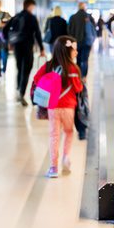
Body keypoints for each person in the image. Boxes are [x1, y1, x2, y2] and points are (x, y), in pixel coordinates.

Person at [32, 36, 83, 178]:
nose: (77, 52)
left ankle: (53, 168)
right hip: (68, 107)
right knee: (69, 132)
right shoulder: (73, 68)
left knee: (54, 135)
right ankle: (66, 157)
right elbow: (78, 88)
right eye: (75, 50)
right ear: (68, 51)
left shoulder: (48, 66)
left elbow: (36, 79)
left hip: (52, 107)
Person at [5, 0, 46, 106]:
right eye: (33, 6)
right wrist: (41, 48)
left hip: (17, 46)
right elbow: (37, 33)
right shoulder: (32, 18)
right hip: (27, 46)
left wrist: (9, 41)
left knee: (19, 68)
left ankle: (19, 88)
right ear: (30, 6)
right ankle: (21, 93)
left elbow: (5, 29)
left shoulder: (16, 16)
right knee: (26, 70)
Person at [68, 2, 93, 77]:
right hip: (87, 42)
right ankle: (84, 76)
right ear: (85, 7)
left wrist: (72, 42)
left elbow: (69, 30)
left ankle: (78, 75)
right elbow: (93, 29)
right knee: (85, 60)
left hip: (76, 42)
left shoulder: (73, 17)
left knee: (78, 59)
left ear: (78, 7)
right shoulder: (89, 17)